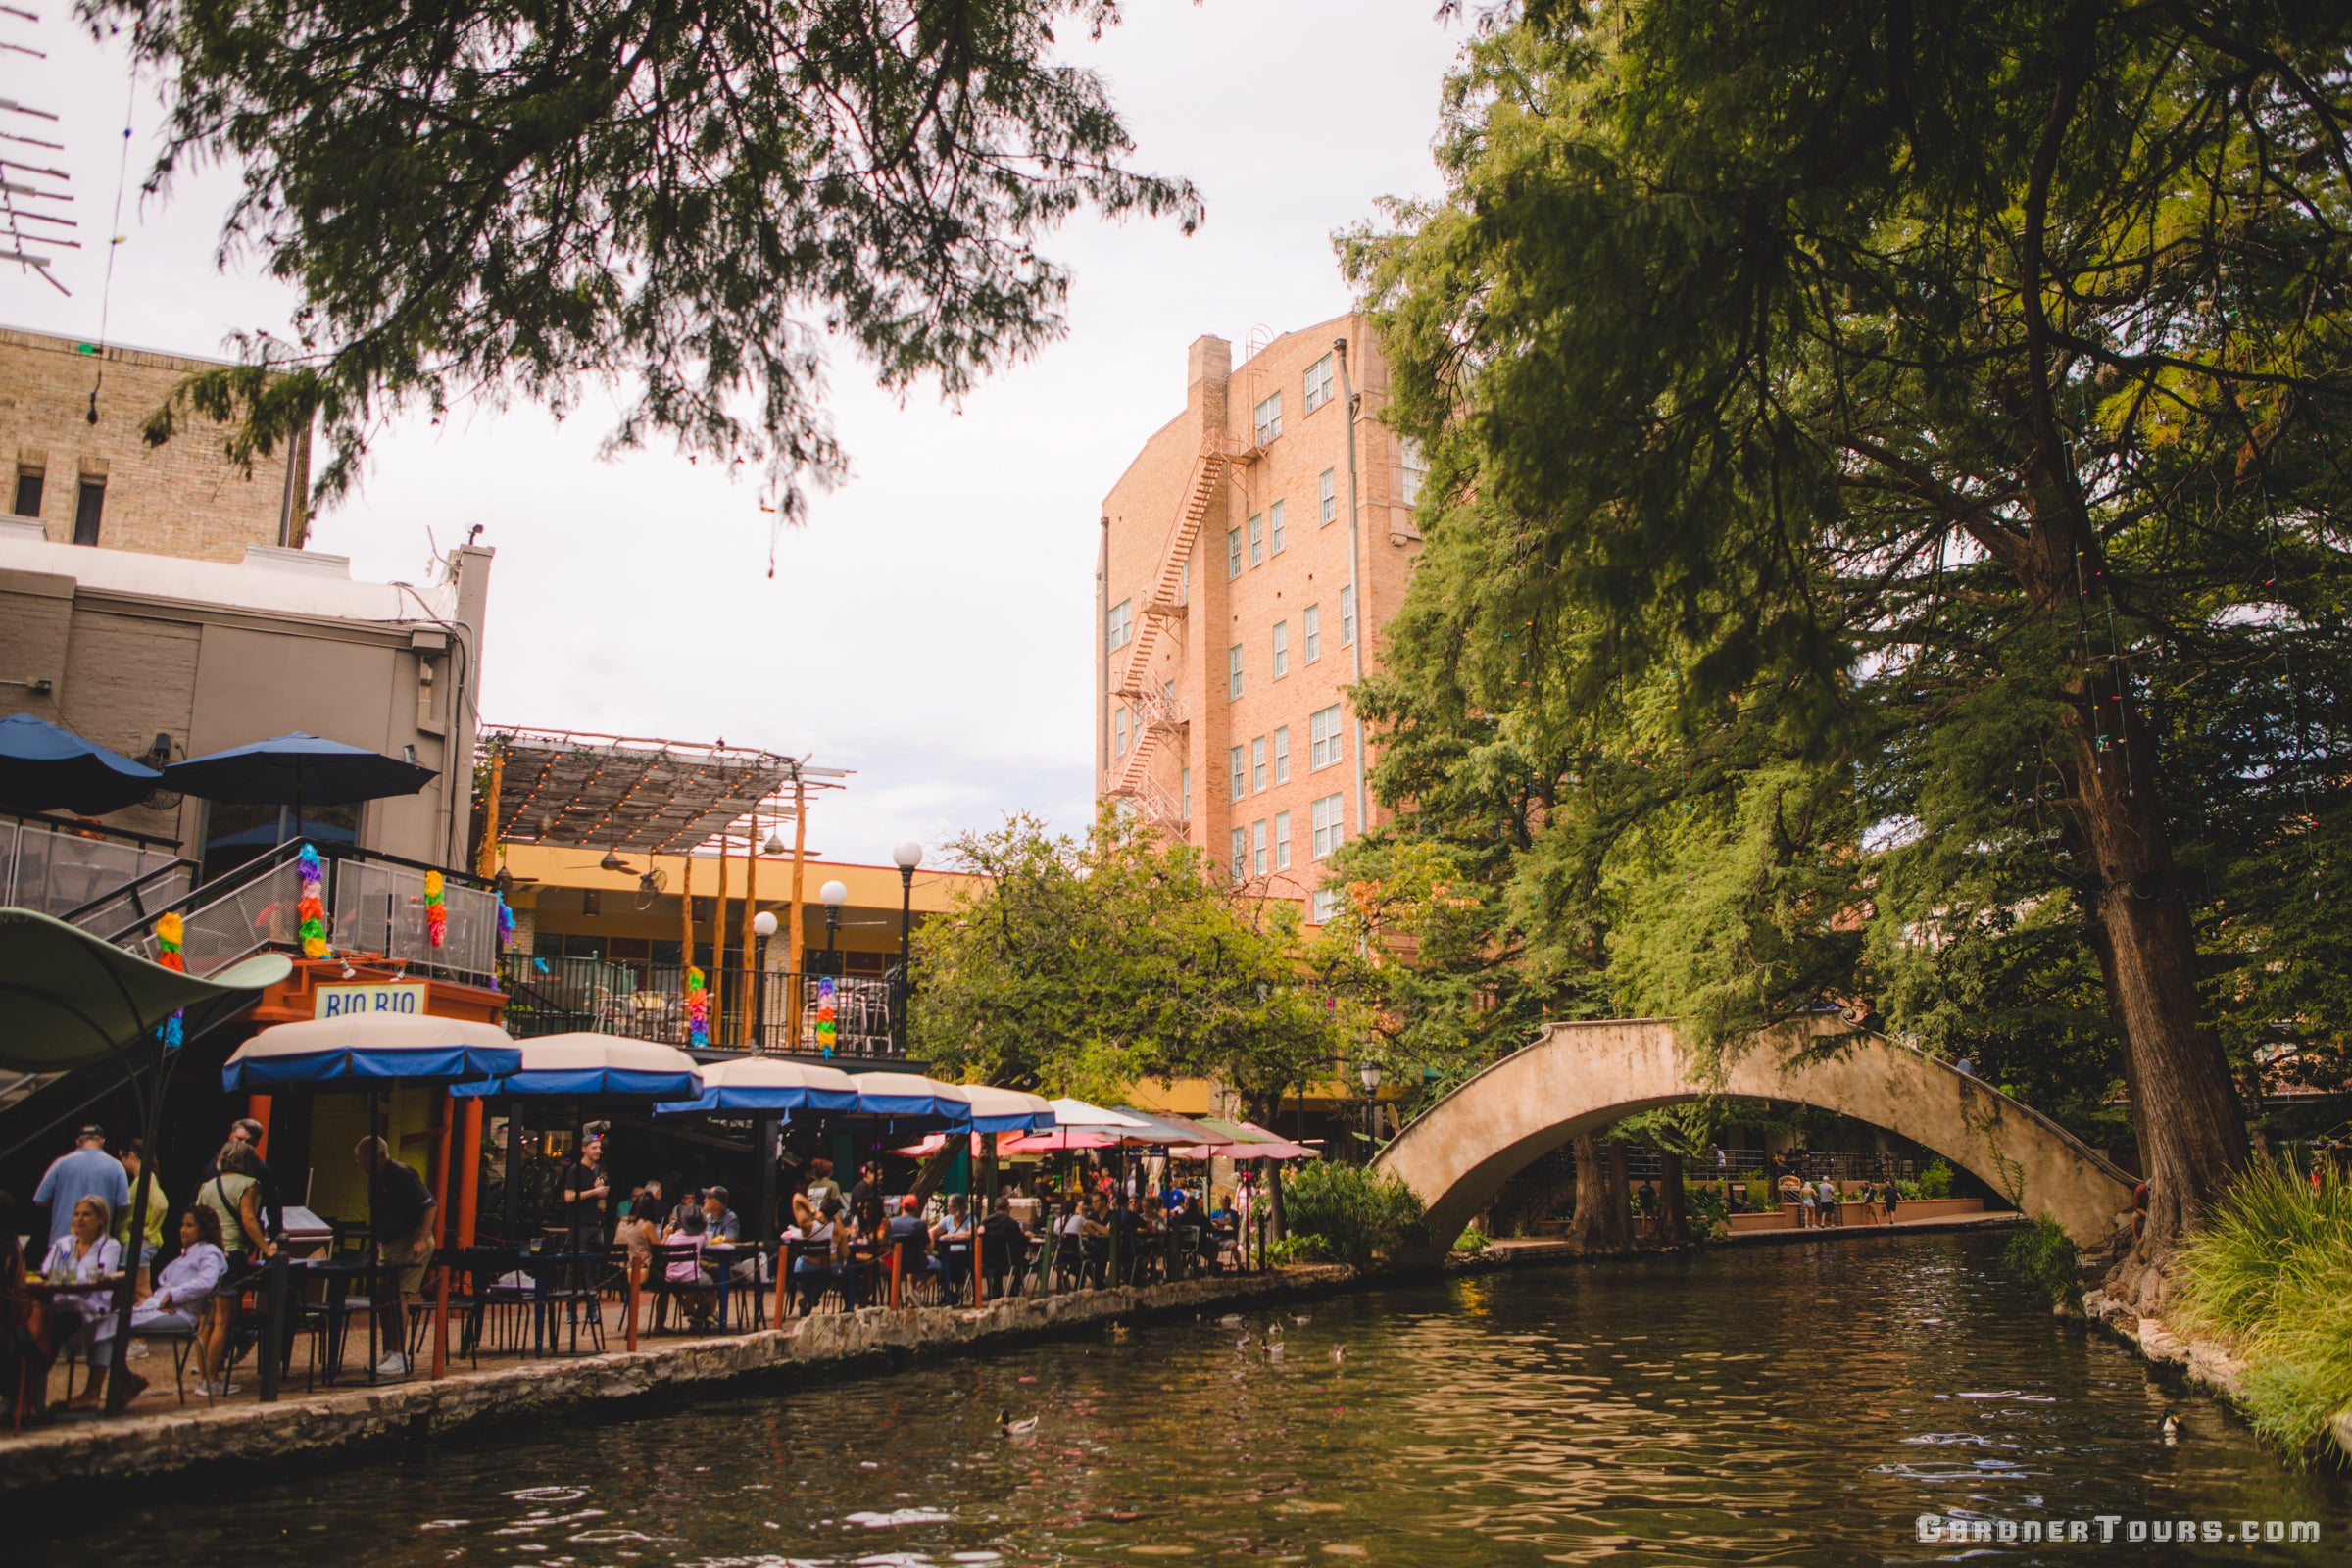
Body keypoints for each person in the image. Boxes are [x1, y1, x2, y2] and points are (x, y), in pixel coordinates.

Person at [115, 1207, 231, 1403]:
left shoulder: (209, 1252)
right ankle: (125, 1378)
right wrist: (156, 1298)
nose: (183, 1230)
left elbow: (206, 1282)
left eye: (189, 1225)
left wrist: (173, 1296)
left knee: (115, 1324)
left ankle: (118, 1384)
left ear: (202, 1230)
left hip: (181, 1314)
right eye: (182, 1225)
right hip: (162, 1307)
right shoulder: (186, 1254)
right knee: (108, 1322)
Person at [355, 1137, 436, 1379]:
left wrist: (421, 1237)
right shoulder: (374, 1179)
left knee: (399, 1293)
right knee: (382, 1296)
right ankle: (389, 1350)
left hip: (409, 1239)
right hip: (388, 1242)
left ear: (380, 1156)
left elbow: (430, 1205)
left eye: (365, 1160)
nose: (362, 1166)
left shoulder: (403, 1174)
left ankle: (400, 1354)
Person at [195, 1140, 271, 1396]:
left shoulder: (207, 1186)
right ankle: (212, 1379)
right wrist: (266, 1246)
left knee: (206, 1319)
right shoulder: (248, 1185)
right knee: (223, 1321)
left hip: (208, 1253)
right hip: (231, 1253)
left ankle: (203, 1376)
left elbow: (198, 1217)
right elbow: (249, 1219)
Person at [38, 1196, 124, 1409]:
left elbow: (102, 1275)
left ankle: (90, 1392)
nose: (80, 1219)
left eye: (86, 1214)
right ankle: (31, 1389)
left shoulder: (109, 1245)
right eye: (77, 1214)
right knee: (42, 1323)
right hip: (60, 1304)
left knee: (101, 1323)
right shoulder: (63, 1244)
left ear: (100, 1219)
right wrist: (72, 1276)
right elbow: (46, 1271)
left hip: (91, 1308)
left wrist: (67, 1276)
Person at [32, 1125, 130, 1252]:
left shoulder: (60, 1163)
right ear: (102, 1141)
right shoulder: (116, 1166)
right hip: (97, 1242)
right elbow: (123, 1204)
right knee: (94, 1273)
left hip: (63, 1240)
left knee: (62, 1273)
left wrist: (63, 1206)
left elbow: (40, 1199)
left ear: (78, 1141)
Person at [198, 1117, 284, 1242]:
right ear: (231, 1136)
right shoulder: (213, 1167)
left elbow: (273, 1205)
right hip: (212, 1235)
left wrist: (275, 1237)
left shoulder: (261, 1170)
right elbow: (196, 1202)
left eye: (249, 1142)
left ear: (256, 1144)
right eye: (239, 1138)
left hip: (241, 1238)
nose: (242, 1145)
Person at [117, 1139, 168, 1297]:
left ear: (130, 1156)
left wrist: (148, 1230)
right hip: (136, 1242)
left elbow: (161, 1205)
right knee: (131, 1292)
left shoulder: (146, 1178)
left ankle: (150, 1319)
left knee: (140, 1291)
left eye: (122, 1159)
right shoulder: (143, 1178)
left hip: (138, 1242)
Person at [562, 1133, 610, 1255]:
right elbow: (568, 1196)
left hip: (595, 1221)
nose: (598, 1151)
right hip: (579, 1223)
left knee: (595, 1261)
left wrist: (601, 1192)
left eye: (599, 1148)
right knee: (577, 1260)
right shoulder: (575, 1170)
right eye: (594, 1148)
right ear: (584, 1149)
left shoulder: (597, 1169)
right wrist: (594, 1191)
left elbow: (598, 1195)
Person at [978, 1195, 1029, 1298]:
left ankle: (996, 1290)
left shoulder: (985, 1222)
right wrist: (1027, 1236)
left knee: (997, 1262)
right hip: (1007, 1258)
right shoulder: (1011, 1223)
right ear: (1008, 1209)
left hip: (986, 1259)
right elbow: (1021, 1240)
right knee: (1025, 1263)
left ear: (995, 1209)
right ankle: (1014, 1290)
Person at [848, 1161, 886, 1234]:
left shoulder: (873, 1188)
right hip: (861, 1226)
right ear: (868, 1174)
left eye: (881, 1174)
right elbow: (862, 1208)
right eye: (878, 1175)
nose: (880, 1177)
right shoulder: (860, 1188)